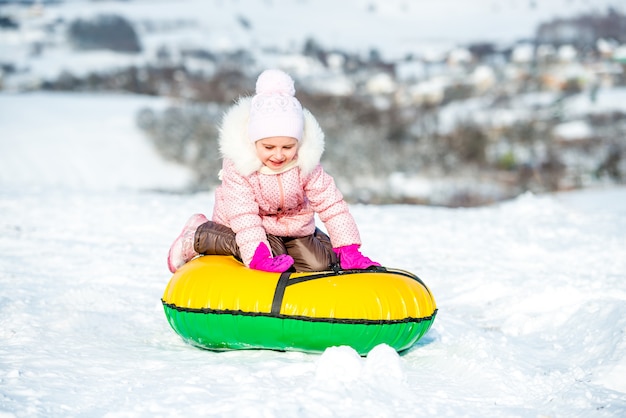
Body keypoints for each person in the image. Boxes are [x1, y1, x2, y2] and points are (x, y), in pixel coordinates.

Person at [167, 69, 380, 273]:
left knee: (320, 264)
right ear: (254, 142)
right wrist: (258, 257)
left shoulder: (305, 164)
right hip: (243, 224)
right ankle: (199, 234)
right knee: (273, 253)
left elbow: (331, 204)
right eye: (269, 147)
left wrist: (348, 248)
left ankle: (306, 247)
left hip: (292, 227)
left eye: (287, 147)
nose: (278, 155)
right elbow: (244, 215)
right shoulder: (242, 166)